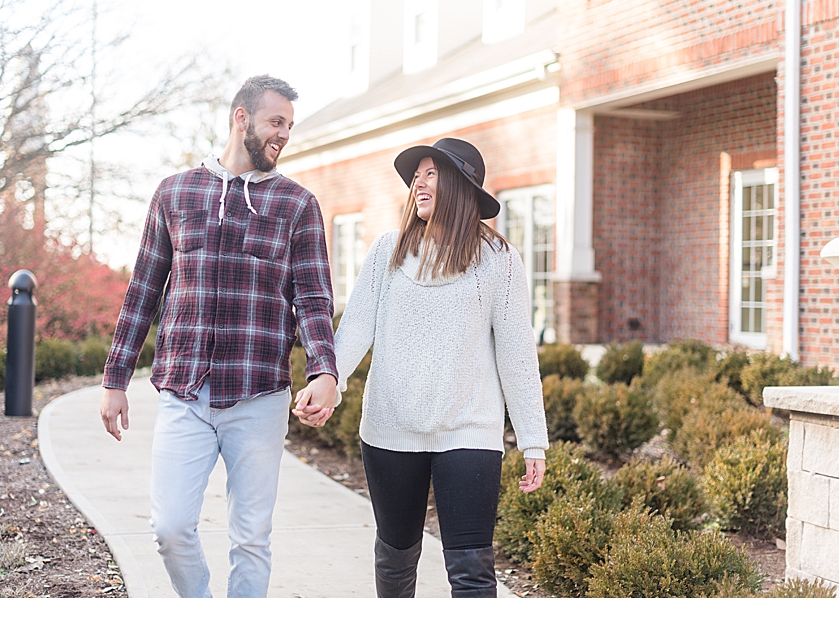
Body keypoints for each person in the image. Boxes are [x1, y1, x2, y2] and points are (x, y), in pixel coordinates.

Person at [99, 75, 340, 598]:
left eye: (290, 127)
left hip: (259, 395)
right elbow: (143, 289)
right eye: (276, 122)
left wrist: (325, 370)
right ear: (241, 117)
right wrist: (115, 378)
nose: (284, 135)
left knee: (251, 537)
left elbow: (314, 299)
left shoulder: (297, 204)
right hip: (185, 392)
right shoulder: (175, 191)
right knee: (169, 527)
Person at [294, 137, 549, 598]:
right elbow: (354, 330)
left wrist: (533, 439)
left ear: (460, 185)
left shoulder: (499, 260)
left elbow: (516, 352)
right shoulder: (388, 251)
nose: (419, 183)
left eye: (431, 173)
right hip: (391, 430)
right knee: (396, 559)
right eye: (417, 176)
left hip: (470, 430)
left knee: (472, 570)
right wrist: (326, 380)